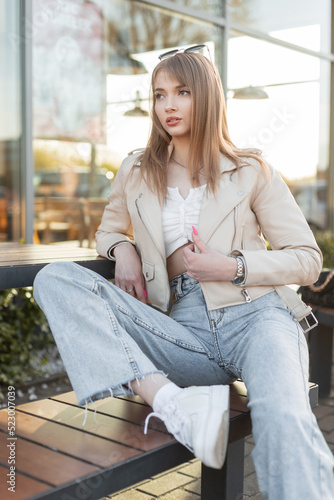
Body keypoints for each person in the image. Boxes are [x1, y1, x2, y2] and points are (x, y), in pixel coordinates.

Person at [33, 45, 334, 500]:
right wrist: (123, 248)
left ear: (207, 96)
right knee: (54, 279)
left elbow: (307, 259)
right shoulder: (136, 169)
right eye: (158, 94)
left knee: (284, 416)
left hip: (256, 317)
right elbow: (107, 231)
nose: (167, 105)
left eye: (181, 92)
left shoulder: (251, 169)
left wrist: (233, 266)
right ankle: (175, 405)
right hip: (180, 329)